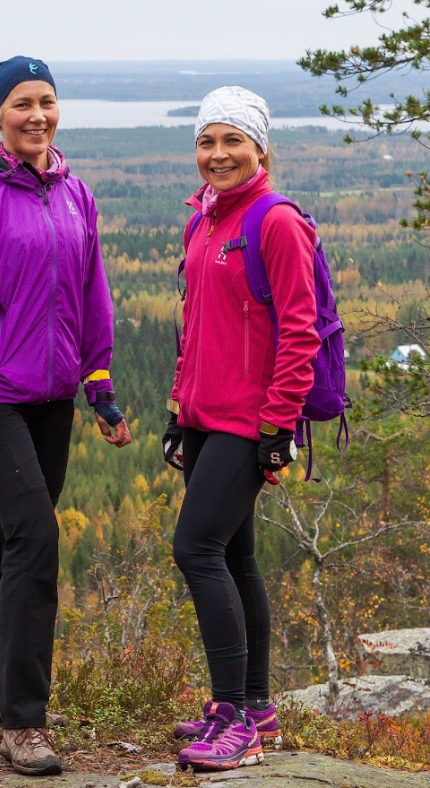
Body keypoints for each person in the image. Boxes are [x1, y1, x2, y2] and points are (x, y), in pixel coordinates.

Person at [0, 55, 131, 777]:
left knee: (13, 540)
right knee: (38, 539)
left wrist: (99, 388)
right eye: (22, 104)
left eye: (47, 101)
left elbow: (91, 294)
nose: (38, 115)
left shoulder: (75, 193)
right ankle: (24, 723)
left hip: (53, 401)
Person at [163, 86, 319, 772]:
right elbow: (196, 324)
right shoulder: (203, 221)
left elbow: (300, 332)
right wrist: (176, 409)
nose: (218, 154)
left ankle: (234, 722)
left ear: (260, 148)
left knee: (195, 548)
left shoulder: (275, 221)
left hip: (246, 422)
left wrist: (279, 425)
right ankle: (256, 705)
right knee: (233, 558)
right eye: (206, 142)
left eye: (232, 141)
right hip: (202, 417)